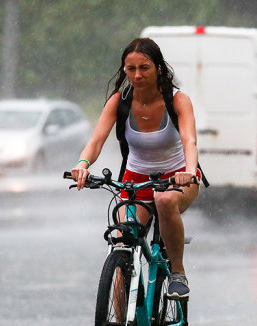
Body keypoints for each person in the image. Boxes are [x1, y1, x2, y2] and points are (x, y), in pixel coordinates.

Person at [71, 37, 200, 301]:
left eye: (144, 68)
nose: (137, 75)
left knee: (164, 200)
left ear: (158, 69)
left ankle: (177, 272)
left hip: (176, 179)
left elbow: (190, 140)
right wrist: (82, 164)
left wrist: (189, 170)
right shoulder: (120, 101)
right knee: (122, 249)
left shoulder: (178, 100)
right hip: (135, 182)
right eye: (131, 69)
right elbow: (95, 141)